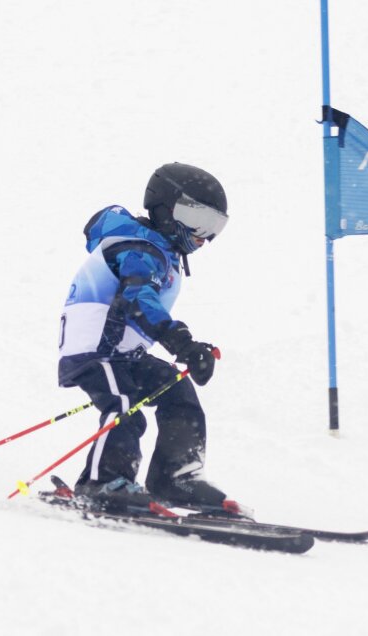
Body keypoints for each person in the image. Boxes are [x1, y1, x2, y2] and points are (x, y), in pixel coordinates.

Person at [57, 163, 235, 512]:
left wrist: (185, 346)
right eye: (196, 220)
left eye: (213, 226)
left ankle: (175, 477)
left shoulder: (161, 253)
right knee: (124, 405)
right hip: (96, 352)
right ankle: (102, 483)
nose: (203, 236)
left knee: (178, 392)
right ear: (165, 210)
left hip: (124, 354)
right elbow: (138, 298)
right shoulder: (138, 248)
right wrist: (181, 342)